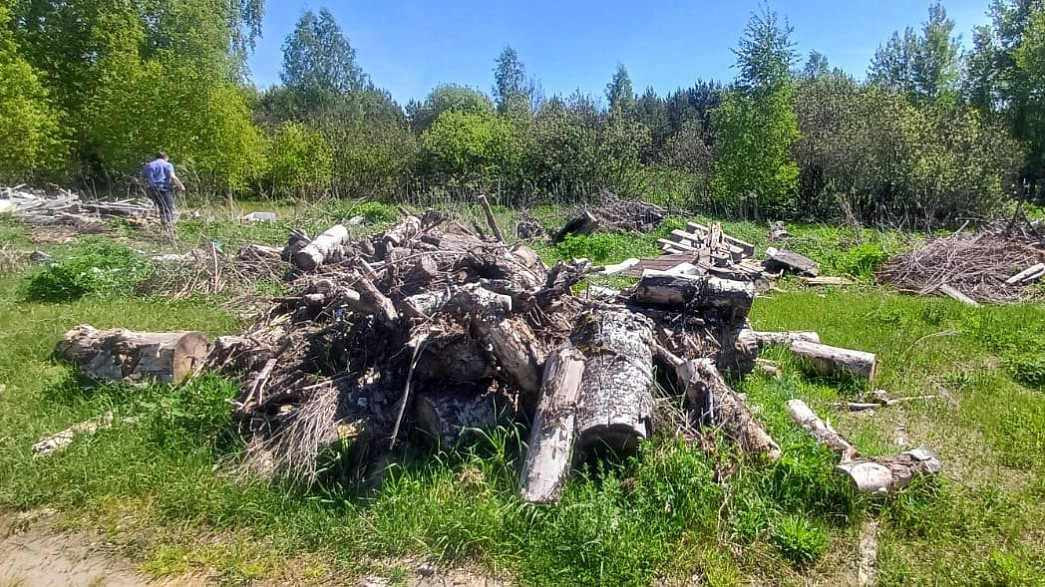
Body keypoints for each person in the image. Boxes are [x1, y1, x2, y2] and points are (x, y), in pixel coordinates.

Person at [141, 152, 185, 229]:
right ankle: (168, 225)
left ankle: (164, 224)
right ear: (165, 157)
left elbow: (142, 179)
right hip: (164, 189)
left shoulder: (149, 165)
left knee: (161, 207)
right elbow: (173, 177)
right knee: (168, 207)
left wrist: (145, 187)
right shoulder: (168, 165)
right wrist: (181, 186)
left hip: (153, 189)